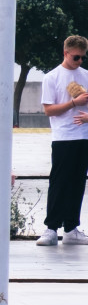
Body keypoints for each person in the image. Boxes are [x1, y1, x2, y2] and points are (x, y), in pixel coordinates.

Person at [36, 33, 88, 246]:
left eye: (83, 57)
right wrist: (74, 103)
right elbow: (49, 110)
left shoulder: (86, 75)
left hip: (84, 135)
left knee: (78, 181)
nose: (80, 61)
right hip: (63, 136)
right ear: (65, 53)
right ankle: (51, 228)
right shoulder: (52, 77)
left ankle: (71, 227)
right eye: (76, 57)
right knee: (59, 181)